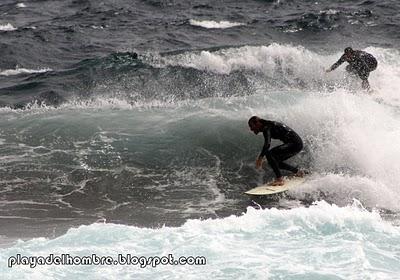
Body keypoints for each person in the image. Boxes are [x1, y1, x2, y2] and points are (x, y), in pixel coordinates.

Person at [248, 116, 304, 186]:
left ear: (258, 123)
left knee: (269, 154)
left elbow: (267, 144)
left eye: (251, 126)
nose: (251, 129)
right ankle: (298, 172)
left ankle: (279, 179)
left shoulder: (266, 128)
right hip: (297, 144)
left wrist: (260, 158)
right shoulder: (269, 125)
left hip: (295, 144)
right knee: (275, 161)